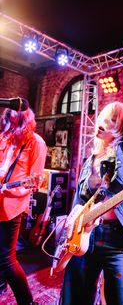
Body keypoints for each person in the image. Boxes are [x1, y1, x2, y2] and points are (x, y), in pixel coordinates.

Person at [60, 31, 123, 305]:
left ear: (121, 128)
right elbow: (80, 199)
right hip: (86, 239)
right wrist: (76, 215)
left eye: (113, 120)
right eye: (104, 117)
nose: (104, 122)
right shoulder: (90, 159)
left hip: (121, 242)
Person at [0, 105, 47, 305]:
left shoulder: (36, 143)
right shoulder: (5, 137)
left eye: (14, 121)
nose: (9, 124)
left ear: (23, 120)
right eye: (7, 119)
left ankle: (27, 301)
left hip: (11, 207)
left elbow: (33, 183)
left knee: (7, 259)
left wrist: (8, 189)